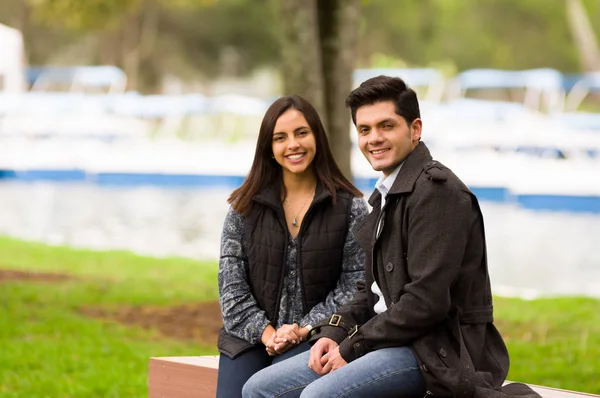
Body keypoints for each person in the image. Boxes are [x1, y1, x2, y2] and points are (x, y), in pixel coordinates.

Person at [242, 76, 539, 398]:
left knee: (319, 397)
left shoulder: (438, 194)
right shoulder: (388, 194)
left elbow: (426, 303)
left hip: (433, 349)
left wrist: (352, 347)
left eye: (386, 126)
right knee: (259, 388)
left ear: (415, 130)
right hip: (386, 338)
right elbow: (370, 290)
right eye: (365, 129)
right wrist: (334, 331)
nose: (374, 139)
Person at [215, 94, 369, 398]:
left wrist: (302, 328)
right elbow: (231, 289)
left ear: (317, 137)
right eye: (280, 137)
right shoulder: (243, 208)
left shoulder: (350, 208)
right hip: (248, 338)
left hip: (318, 338)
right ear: (269, 148)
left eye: (301, 133)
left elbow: (354, 285)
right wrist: (269, 334)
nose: (293, 145)